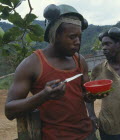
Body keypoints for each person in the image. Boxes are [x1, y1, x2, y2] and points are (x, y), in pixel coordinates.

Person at [5, 4, 101, 140]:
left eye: (79, 37)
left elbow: (85, 95)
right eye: (72, 37)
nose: (78, 42)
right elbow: (9, 110)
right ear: (54, 34)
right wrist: (43, 96)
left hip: (87, 134)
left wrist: (94, 95)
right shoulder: (32, 64)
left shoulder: (80, 60)